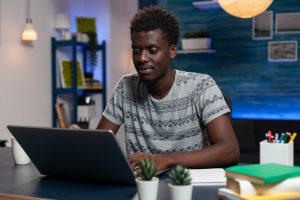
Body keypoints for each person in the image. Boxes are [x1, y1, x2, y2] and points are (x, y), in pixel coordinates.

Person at [97, 6, 240, 172]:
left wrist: (166, 160)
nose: (142, 58)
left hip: (188, 187)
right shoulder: (125, 87)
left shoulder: (201, 86)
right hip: (143, 187)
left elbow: (230, 150)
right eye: (136, 50)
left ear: (172, 51)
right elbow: (98, 146)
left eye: (152, 50)